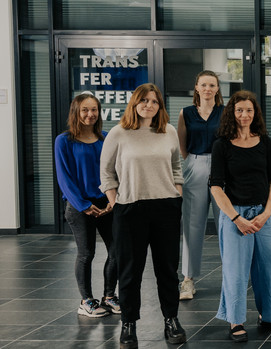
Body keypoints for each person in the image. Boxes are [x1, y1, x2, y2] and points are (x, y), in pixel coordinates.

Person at [100, 83, 187, 348]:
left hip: (165, 208)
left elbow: (175, 166)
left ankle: (171, 320)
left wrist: (177, 192)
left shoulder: (168, 131)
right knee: (130, 271)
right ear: (134, 103)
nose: (148, 105)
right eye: (143, 100)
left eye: (154, 101)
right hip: (130, 209)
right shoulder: (119, 133)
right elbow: (106, 173)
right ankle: (128, 324)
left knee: (167, 270)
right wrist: (116, 201)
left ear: (159, 106)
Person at [210, 91, 271, 342]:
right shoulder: (221, 145)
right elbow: (215, 186)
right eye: (239, 110)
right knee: (236, 271)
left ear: (255, 114)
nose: (244, 115)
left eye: (249, 110)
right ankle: (236, 321)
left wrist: (267, 212)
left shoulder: (264, 141)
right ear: (232, 114)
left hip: (263, 214)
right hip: (236, 216)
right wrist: (236, 218)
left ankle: (270, 316)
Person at [55, 94, 119, 318]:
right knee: (86, 253)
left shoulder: (106, 137)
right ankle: (86, 301)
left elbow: (114, 170)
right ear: (76, 112)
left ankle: (109, 297)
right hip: (79, 204)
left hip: (106, 203)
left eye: (94, 110)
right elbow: (64, 178)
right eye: (85, 110)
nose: (90, 114)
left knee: (116, 251)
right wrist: (83, 204)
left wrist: (113, 200)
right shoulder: (64, 141)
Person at [177, 70, 224, 300]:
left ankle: (231, 275)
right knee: (192, 225)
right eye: (203, 84)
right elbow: (182, 146)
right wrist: (192, 165)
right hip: (194, 164)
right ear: (196, 87)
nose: (207, 89)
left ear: (217, 88)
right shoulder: (185, 113)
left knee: (226, 222)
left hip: (222, 169)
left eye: (212, 85)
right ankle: (188, 279)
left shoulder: (225, 113)